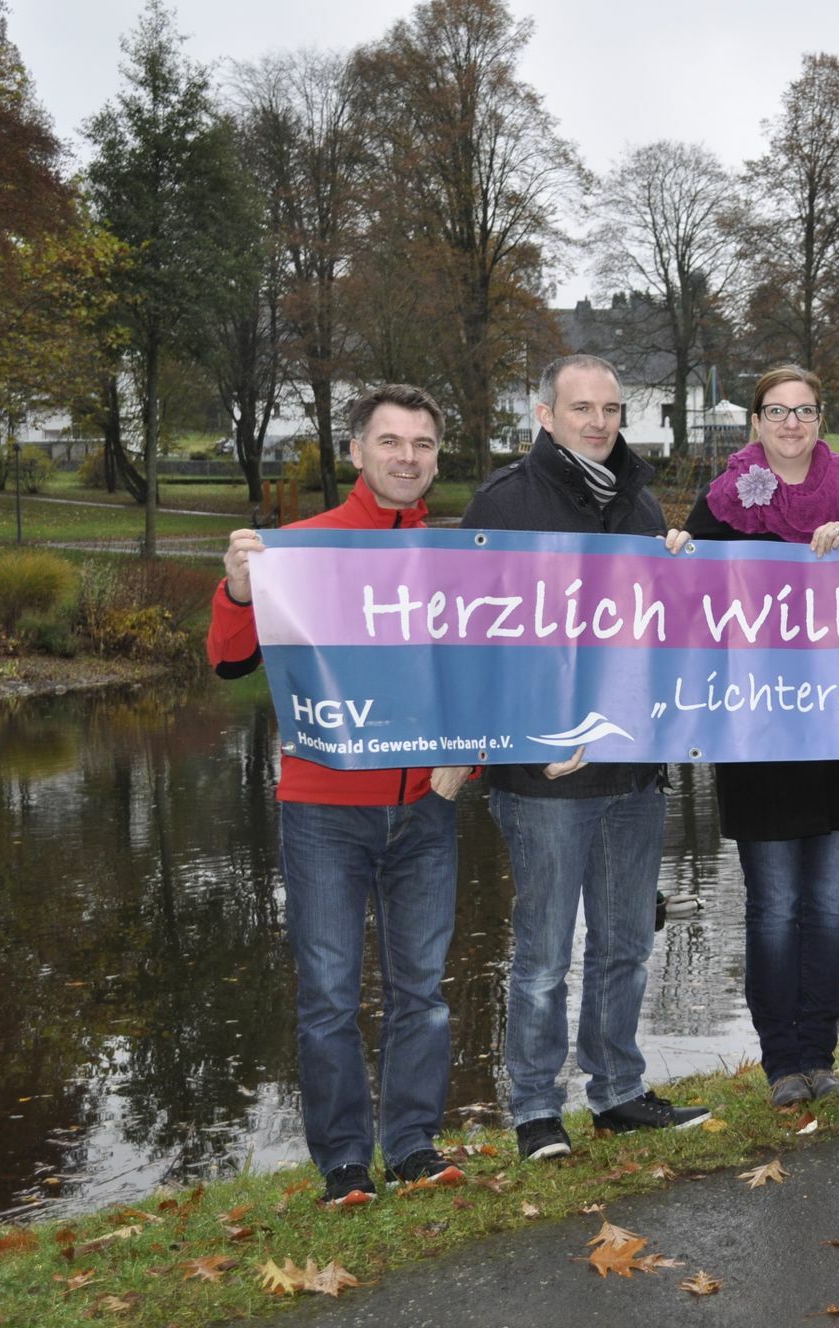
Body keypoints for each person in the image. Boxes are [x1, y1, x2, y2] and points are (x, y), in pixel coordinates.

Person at [208, 384, 472, 1207]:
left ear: (437, 459)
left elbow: (487, 673)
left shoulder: (459, 562)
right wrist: (239, 589)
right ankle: (344, 1162)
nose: (407, 457)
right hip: (323, 809)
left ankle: (414, 1145)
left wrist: (471, 754)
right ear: (356, 452)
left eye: (422, 444)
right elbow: (229, 661)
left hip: (426, 808)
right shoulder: (300, 550)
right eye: (390, 442)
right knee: (328, 993)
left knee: (421, 990)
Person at [462, 353, 711, 1161]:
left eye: (610, 408)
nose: (599, 422)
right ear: (545, 415)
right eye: (582, 408)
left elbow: (658, 634)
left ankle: (618, 1094)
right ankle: (537, 1110)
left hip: (634, 770)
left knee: (625, 946)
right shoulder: (504, 503)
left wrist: (680, 570)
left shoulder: (640, 503)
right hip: (545, 781)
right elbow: (475, 636)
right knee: (542, 958)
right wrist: (526, 733)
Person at [661, 366, 839, 1109]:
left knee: (829, 905)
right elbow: (679, 597)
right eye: (777, 411)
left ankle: (820, 1054)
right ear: (756, 422)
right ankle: (781, 1062)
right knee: (774, 906)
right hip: (760, 734)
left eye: (805, 410)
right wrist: (674, 550)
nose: (792, 423)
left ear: (820, 418)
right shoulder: (724, 504)